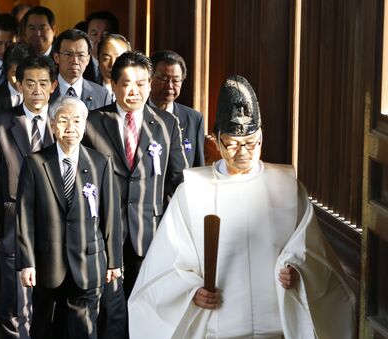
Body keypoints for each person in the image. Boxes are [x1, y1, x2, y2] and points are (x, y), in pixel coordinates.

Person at [128, 75, 356, 338]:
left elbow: (309, 251)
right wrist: (192, 290)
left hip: (276, 327)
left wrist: (297, 271)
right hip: (217, 326)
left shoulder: (286, 186)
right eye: (233, 144)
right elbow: (167, 263)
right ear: (215, 138)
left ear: (261, 136)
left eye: (251, 143)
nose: (243, 152)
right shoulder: (192, 191)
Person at [81, 50, 188, 338]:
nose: (134, 91)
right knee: (108, 313)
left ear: (150, 84)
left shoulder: (165, 124)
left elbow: (178, 182)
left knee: (145, 309)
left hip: (149, 234)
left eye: (141, 83)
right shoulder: (91, 123)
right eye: (126, 83)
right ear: (113, 84)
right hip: (103, 235)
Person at [16, 95, 122, 339]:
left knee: (84, 331)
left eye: (77, 121)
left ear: (85, 126)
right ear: (52, 126)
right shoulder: (35, 163)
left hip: (89, 262)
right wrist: (27, 262)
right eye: (63, 121)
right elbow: (25, 217)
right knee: (45, 330)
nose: (70, 128)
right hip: (47, 265)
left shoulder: (100, 163)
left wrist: (114, 260)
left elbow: (111, 216)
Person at [0, 54, 57, 339]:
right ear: (18, 84)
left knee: (50, 304)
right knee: (15, 307)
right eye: (30, 83)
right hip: (12, 224)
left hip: (56, 225)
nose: (37, 90)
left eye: (44, 83)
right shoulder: (0, 124)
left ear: (54, 85)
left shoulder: (64, 121)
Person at [148, 50, 204, 167]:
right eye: (163, 79)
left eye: (175, 80)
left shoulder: (194, 119)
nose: (169, 86)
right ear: (149, 79)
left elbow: (198, 168)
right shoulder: (136, 114)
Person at [50, 29, 111, 110]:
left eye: (81, 55)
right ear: (56, 57)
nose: (75, 61)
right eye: (68, 54)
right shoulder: (44, 91)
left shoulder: (102, 95)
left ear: (88, 59)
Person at [0, 42, 32, 114]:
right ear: (6, 73)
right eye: (15, 73)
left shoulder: (40, 95)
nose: (21, 79)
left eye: (26, 73)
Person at [83, 11, 119, 83]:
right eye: (94, 34)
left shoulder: (122, 66)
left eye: (105, 34)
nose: (99, 40)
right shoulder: (80, 66)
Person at [97, 33, 131, 101]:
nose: (112, 64)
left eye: (118, 58)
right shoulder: (89, 91)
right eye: (106, 58)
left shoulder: (136, 92)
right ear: (98, 59)